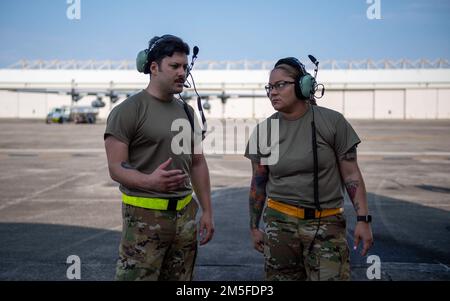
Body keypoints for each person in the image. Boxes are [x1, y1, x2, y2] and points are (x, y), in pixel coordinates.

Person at [244, 57, 373, 281]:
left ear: (304, 86)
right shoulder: (265, 131)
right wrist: (254, 226)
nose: (272, 92)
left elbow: (351, 174)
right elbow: (258, 182)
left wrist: (363, 219)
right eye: (269, 87)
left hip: (327, 225)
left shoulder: (332, 122)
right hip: (279, 225)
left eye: (280, 85)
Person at [104, 34, 214, 281]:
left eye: (185, 67)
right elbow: (115, 167)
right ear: (153, 67)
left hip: (185, 217)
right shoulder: (128, 111)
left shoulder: (187, 112)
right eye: (174, 66)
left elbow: (197, 163)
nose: (182, 73)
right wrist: (150, 182)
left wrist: (207, 211)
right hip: (144, 219)